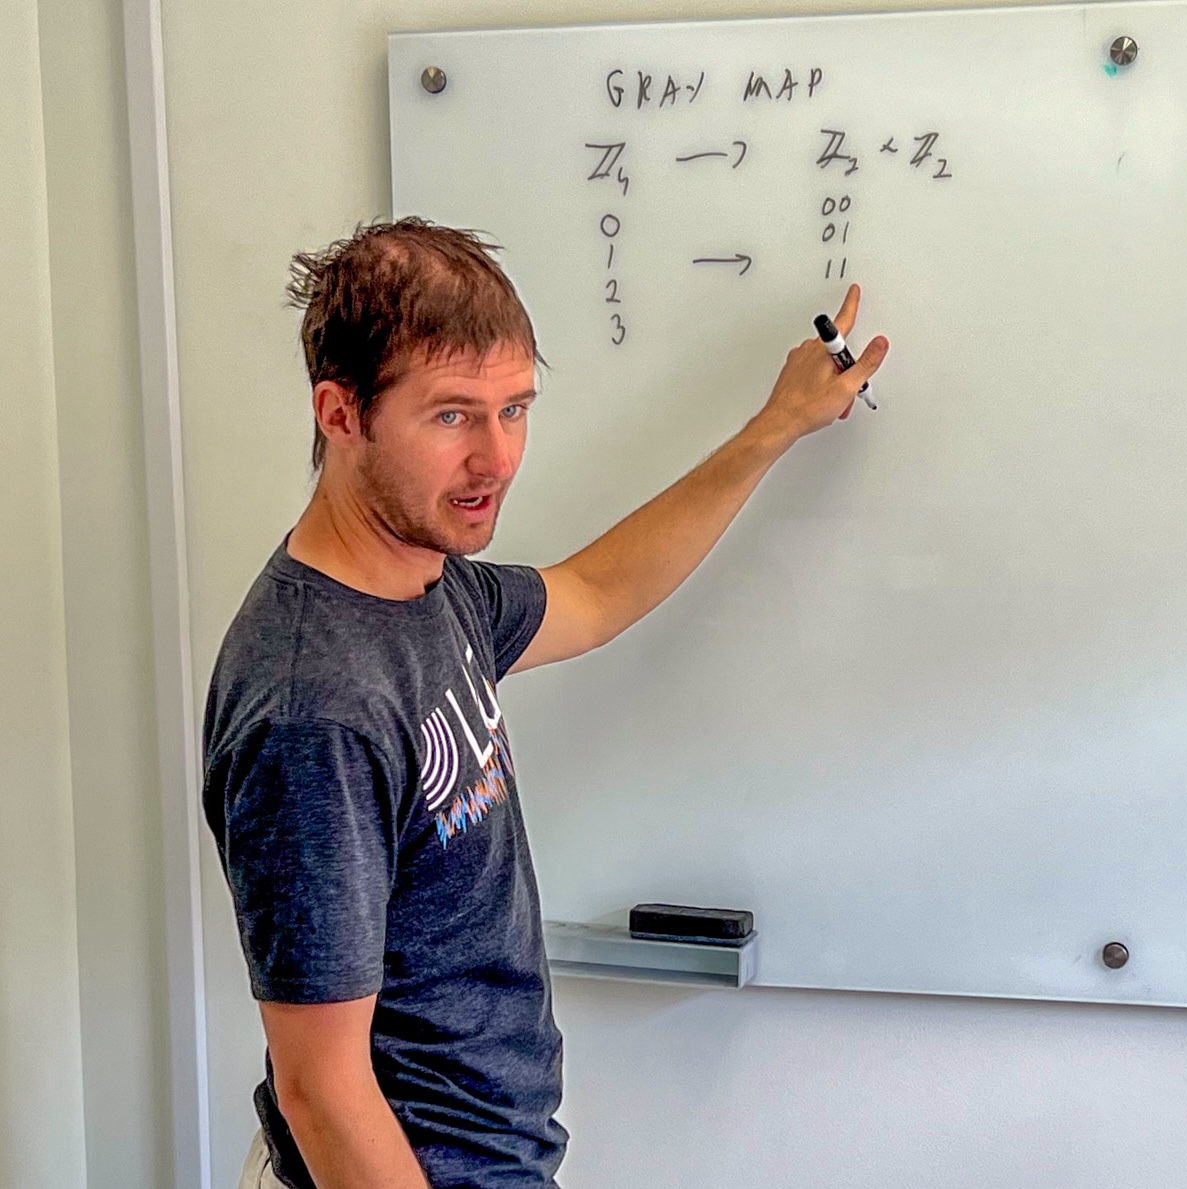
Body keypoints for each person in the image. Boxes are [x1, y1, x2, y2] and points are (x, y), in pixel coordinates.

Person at [204, 217, 888, 1189]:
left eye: (515, 408)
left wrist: (773, 426)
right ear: (340, 412)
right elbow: (321, 1089)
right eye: (451, 416)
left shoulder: (430, 586)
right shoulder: (313, 703)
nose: (496, 457)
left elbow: (597, 592)